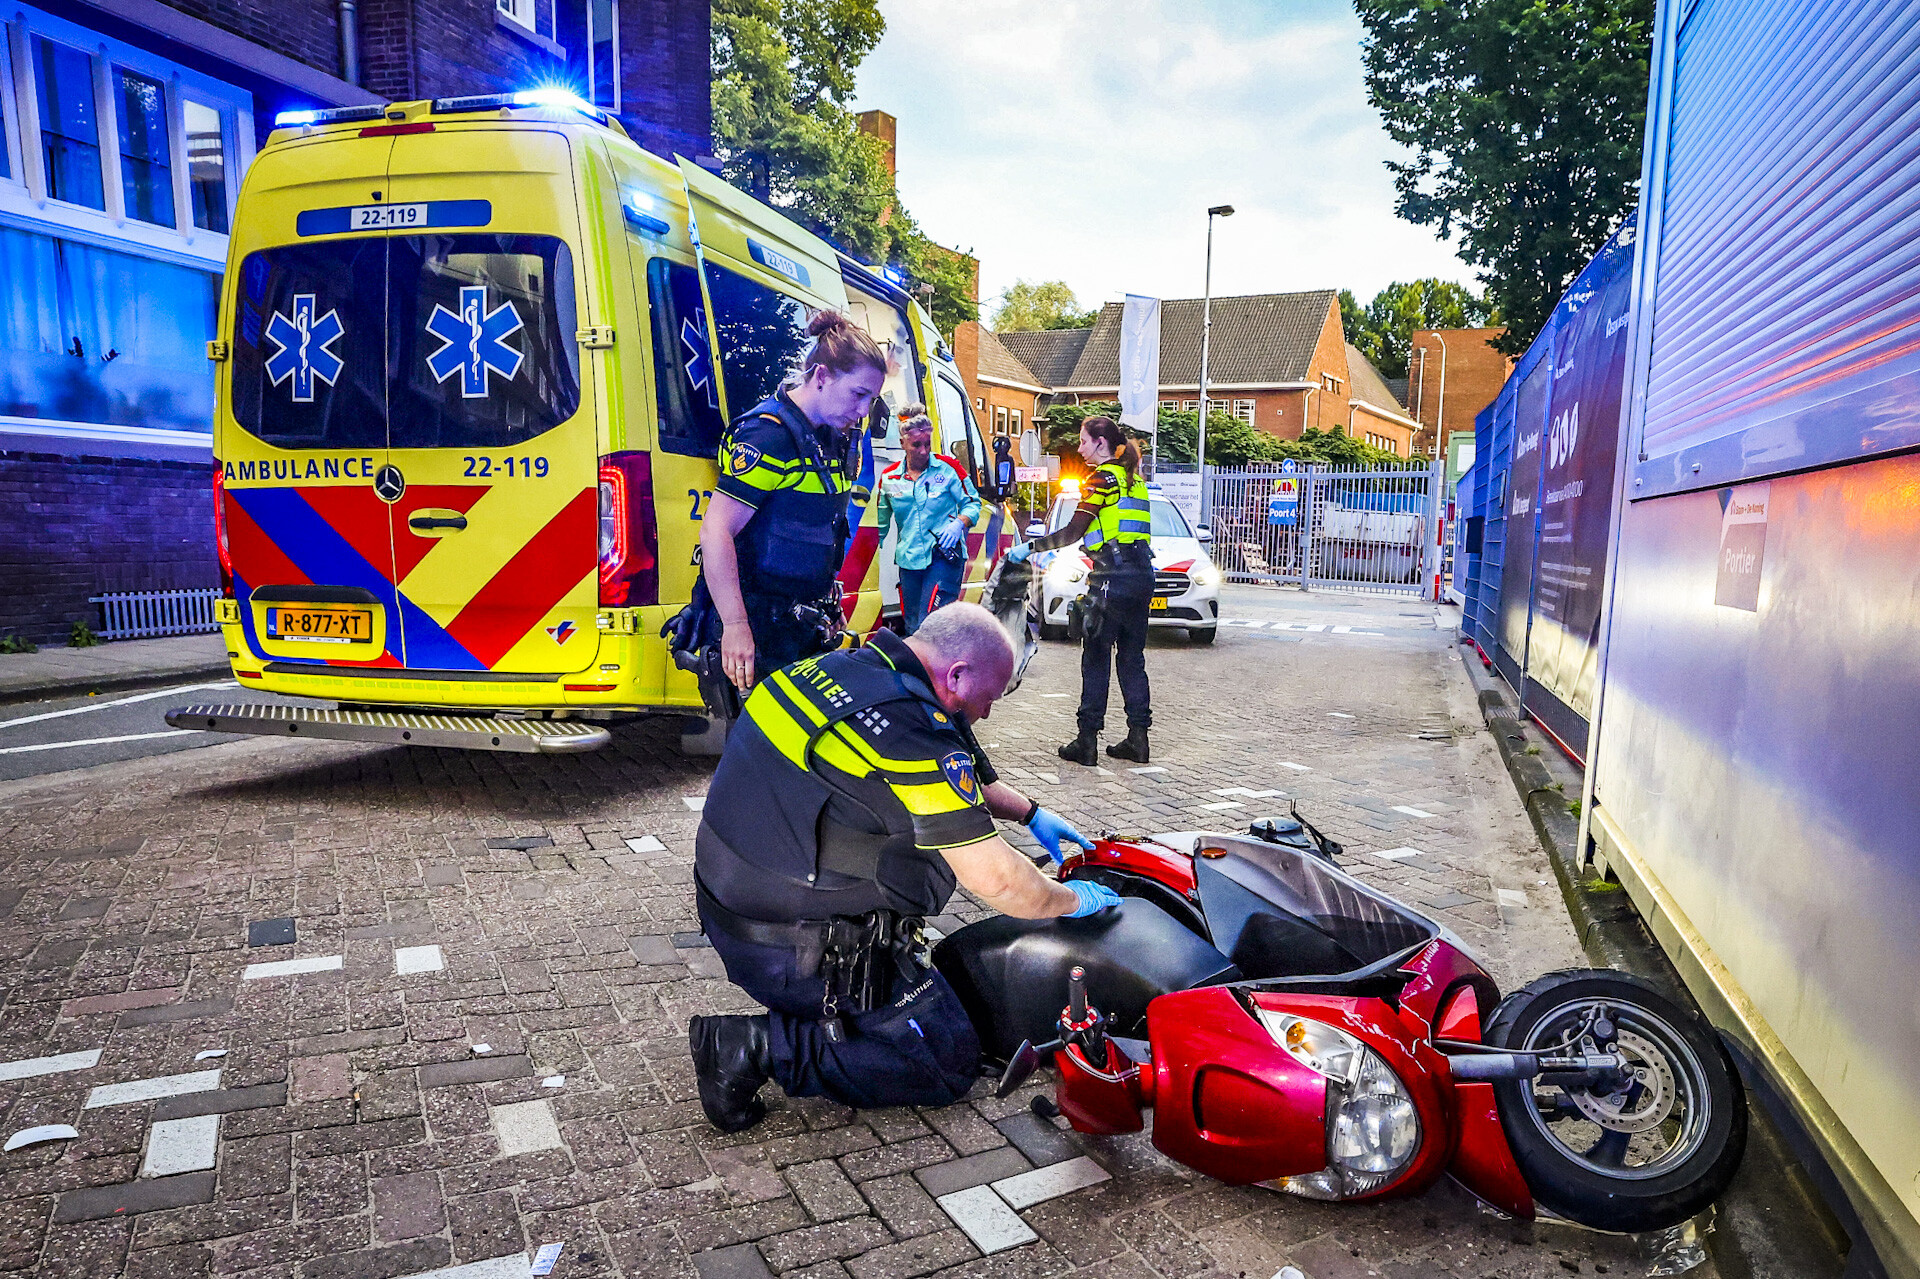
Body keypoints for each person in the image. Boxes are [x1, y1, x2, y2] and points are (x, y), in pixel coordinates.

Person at [687, 602, 1111, 1131]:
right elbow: (1000, 881)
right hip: (787, 948)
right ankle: (752, 1047)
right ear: (956, 675)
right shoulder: (909, 728)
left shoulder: (835, 669)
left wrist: (1031, 812)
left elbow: (946, 780)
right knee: (945, 1060)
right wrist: (1073, 901)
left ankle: (820, 1012)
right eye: (988, 699)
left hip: (730, 899)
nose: (986, 713)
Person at [698, 311, 890, 698]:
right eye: (858, 394)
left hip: (797, 628)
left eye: (872, 399)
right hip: (758, 628)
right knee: (761, 754)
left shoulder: (829, 439)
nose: (864, 411)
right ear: (821, 377)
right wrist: (735, 626)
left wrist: (827, 598)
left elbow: (816, 528)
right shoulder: (768, 436)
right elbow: (716, 529)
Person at [1006, 416, 1154, 764]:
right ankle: (1138, 739)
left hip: (1111, 579)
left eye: (1083, 441)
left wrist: (1028, 548)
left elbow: (1073, 532)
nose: (1079, 447)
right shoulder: (1136, 481)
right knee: (1132, 659)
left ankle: (1086, 741)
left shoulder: (1102, 479)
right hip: (1142, 575)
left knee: (1096, 656)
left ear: (1100, 442)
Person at [875, 406, 982, 634]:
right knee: (913, 624)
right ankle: (921, 669)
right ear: (903, 443)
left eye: (927, 444)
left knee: (932, 624)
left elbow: (973, 502)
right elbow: (880, 523)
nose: (923, 451)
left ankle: (935, 669)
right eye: (916, 445)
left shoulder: (949, 468)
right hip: (909, 559)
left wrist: (959, 523)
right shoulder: (889, 478)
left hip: (943, 556)